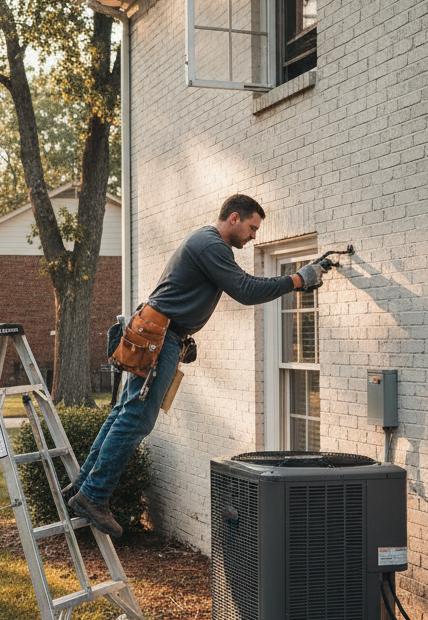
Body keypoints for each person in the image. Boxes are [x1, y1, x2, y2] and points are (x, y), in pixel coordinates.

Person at [68, 194, 327, 539]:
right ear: (233, 218)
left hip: (160, 333)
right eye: (252, 228)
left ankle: (82, 487)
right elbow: (246, 290)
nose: (254, 237)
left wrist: (183, 336)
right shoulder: (212, 244)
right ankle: (93, 495)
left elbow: (183, 295)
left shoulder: (205, 243)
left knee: (123, 412)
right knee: (136, 420)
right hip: (159, 339)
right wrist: (298, 279)